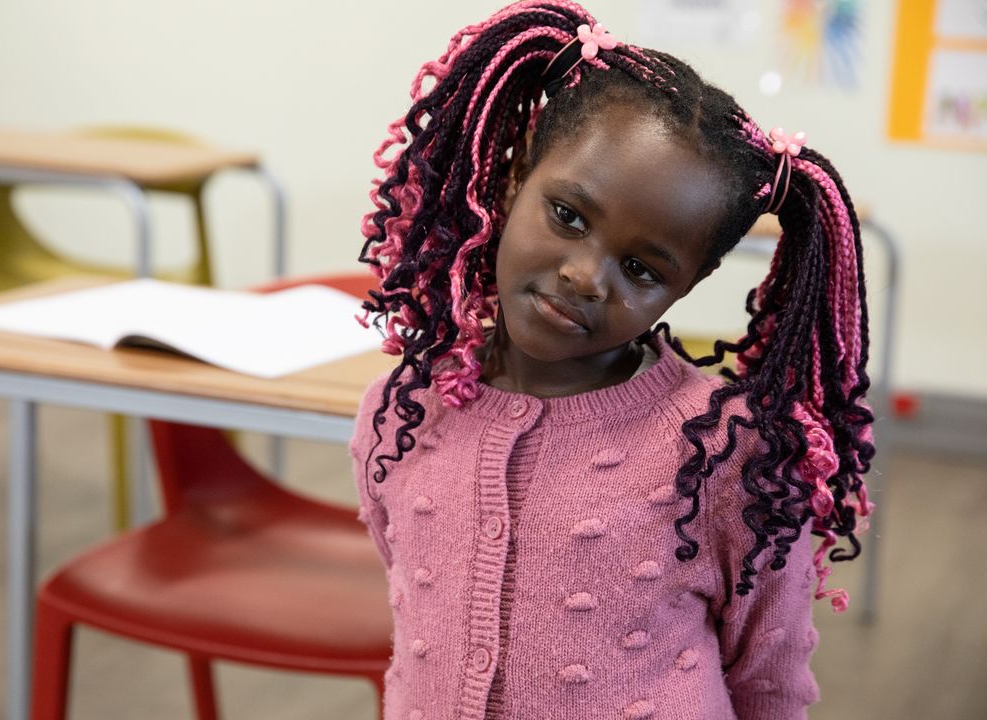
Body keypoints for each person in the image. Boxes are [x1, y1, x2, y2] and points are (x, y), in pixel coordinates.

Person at [350, 2, 874, 718]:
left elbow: (769, 682)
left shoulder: (730, 455)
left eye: (642, 267)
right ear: (511, 184)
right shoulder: (401, 410)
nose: (586, 277)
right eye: (567, 216)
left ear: (686, 287)